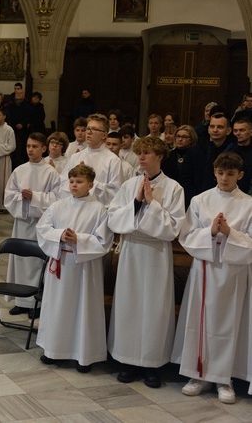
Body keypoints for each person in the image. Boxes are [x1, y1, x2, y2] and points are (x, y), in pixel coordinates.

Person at [172, 152, 252, 404]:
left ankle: (223, 378)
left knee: (228, 324)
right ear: (214, 172)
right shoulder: (200, 200)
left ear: (240, 175)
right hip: (204, 269)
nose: (224, 178)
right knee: (199, 320)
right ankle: (198, 375)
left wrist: (230, 233)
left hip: (233, 273)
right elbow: (186, 236)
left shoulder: (249, 204)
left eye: (230, 174)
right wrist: (210, 232)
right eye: (220, 172)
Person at [107, 136, 186, 388]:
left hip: (155, 255)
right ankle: (127, 360)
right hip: (131, 251)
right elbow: (112, 218)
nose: (141, 157)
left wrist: (151, 203)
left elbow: (173, 228)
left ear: (160, 156)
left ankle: (152, 364)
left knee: (153, 308)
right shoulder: (129, 185)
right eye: (139, 153)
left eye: (147, 153)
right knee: (129, 304)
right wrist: (137, 201)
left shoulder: (174, 188)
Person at [36, 164, 113, 372]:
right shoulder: (57, 206)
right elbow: (43, 229)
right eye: (71, 181)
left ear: (90, 184)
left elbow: (104, 240)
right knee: (58, 307)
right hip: (60, 262)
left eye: (79, 182)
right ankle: (54, 351)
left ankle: (83, 355)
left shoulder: (99, 209)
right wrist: (59, 235)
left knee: (82, 308)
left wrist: (78, 239)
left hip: (84, 268)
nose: (74, 185)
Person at [4, 133, 61, 317]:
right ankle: (21, 301)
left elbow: (57, 198)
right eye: (28, 146)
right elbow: (8, 195)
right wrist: (21, 197)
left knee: (37, 262)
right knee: (20, 260)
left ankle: (35, 302)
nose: (30, 149)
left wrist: (34, 197)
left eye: (35, 146)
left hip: (40, 224)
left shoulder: (51, 172)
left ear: (44, 149)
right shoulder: (19, 170)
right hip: (22, 222)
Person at [59, 114, 123, 205]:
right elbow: (62, 184)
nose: (89, 132)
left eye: (94, 129)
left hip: (98, 211)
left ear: (104, 135)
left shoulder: (113, 160)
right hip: (74, 206)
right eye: (88, 129)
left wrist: (87, 181)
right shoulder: (76, 157)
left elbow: (115, 193)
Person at [0, 108, 15, 213]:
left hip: (3, 159)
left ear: (4, 116)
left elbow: (11, 146)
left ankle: (2, 205)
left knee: (2, 182)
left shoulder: (9, 129)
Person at [231, 116, 252, 194]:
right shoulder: (229, 152)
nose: (238, 133)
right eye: (235, 131)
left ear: (251, 132)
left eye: (242, 130)